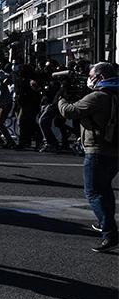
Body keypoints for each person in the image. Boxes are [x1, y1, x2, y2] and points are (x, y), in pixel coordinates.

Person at [57, 62, 118, 253]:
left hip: (97, 150)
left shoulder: (99, 97)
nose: (89, 79)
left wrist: (61, 99)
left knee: (93, 193)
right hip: (114, 150)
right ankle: (105, 223)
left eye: (91, 75)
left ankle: (109, 233)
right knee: (105, 190)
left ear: (100, 77)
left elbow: (70, 112)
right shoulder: (115, 94)